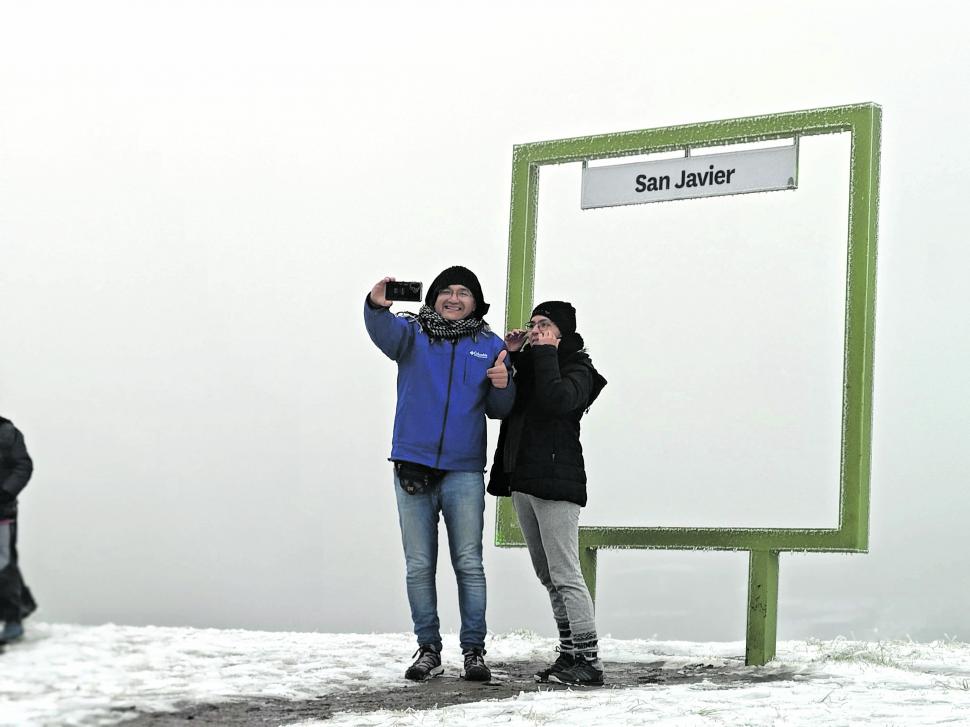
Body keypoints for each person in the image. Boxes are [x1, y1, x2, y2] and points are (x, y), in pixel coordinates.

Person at [364, 266, 514, 682]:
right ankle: (428, 648)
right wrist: (376, 305)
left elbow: (499, 410)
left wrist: (504, 383)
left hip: (463, 470)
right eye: (445, 291)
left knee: (469, 562)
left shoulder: (490, 344)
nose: (453, 298)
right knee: (419, 564)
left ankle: (474, 652)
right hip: (413, 463)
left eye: (463, 292)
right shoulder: (411, 334)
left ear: (476, 301)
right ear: (431, 299)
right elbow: (382, 331)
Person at [487, 301, 608, 686]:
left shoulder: (579, 369)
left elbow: (558, 401)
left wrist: (543, 355)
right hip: (523, 479)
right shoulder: (533, 363)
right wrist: (513, 355)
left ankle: (589, 662)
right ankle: (570, 654)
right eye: (534, 324)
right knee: (548, 574)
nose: (537, 330)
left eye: (545, 325)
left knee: (565, 572)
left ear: (563, 333)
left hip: (557, 483)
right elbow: (506, 408)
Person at [0, 415, 37, 644]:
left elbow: (23, 465)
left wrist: (5, 493)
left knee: (3, 563)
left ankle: (13, 618)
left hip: (2, 512)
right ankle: (23, 605)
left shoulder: (6, 432)